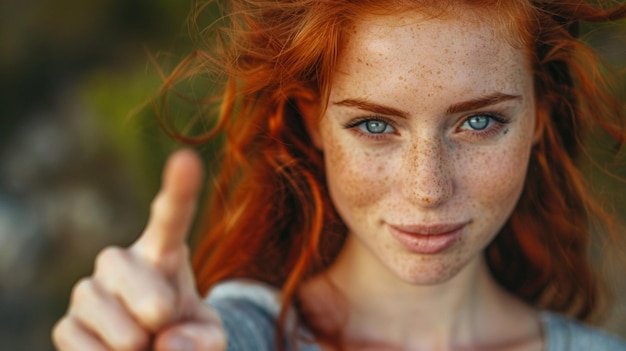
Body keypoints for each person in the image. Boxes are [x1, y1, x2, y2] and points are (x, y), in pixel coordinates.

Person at [52, 0, 626, 350]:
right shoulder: (235, 336)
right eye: (376, 126)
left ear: (538, 118)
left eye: (479, 120)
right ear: (314, 126)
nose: (428, 189)